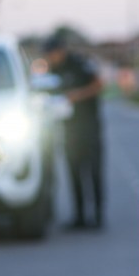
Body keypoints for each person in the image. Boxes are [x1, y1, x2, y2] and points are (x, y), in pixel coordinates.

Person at [42, 36, 104, 229]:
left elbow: (99, 84)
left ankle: (98, 217)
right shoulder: (53, 69)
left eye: (52, 54)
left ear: (60, 51)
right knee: (73, 172)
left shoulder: (79, 64)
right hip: (69, 128)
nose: (51, 58)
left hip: (89, 126)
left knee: (93, 171)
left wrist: (77, 95)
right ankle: (79, 217)